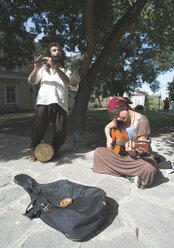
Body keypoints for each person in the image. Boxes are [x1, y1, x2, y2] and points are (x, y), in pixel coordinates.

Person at [92, 97, 157, 189]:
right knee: (98, 152)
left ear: (125, 108)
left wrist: (133, 152)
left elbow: (142, 149)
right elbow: (107, 127)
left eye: (119, 115)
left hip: (139, 158)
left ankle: (125, 172)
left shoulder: (142, 121)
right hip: (122, 155)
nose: (118, 118)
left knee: (148, 169)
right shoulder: (118, 120)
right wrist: (108, 137)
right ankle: (131, 174)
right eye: (115, 117)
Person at [28, 43, 73, 162]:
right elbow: (32, 81)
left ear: (62, 53)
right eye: (54, 50)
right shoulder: (43, 68)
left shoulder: (66, 68)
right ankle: (34, 150)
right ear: (50, 54)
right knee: (39, 127)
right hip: (43, 101)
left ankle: (55, 148)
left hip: (60, 102)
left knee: (60, 129)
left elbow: (67, 81)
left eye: (59, 50)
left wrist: (55, 67)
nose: (57, 52)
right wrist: (36, 68)